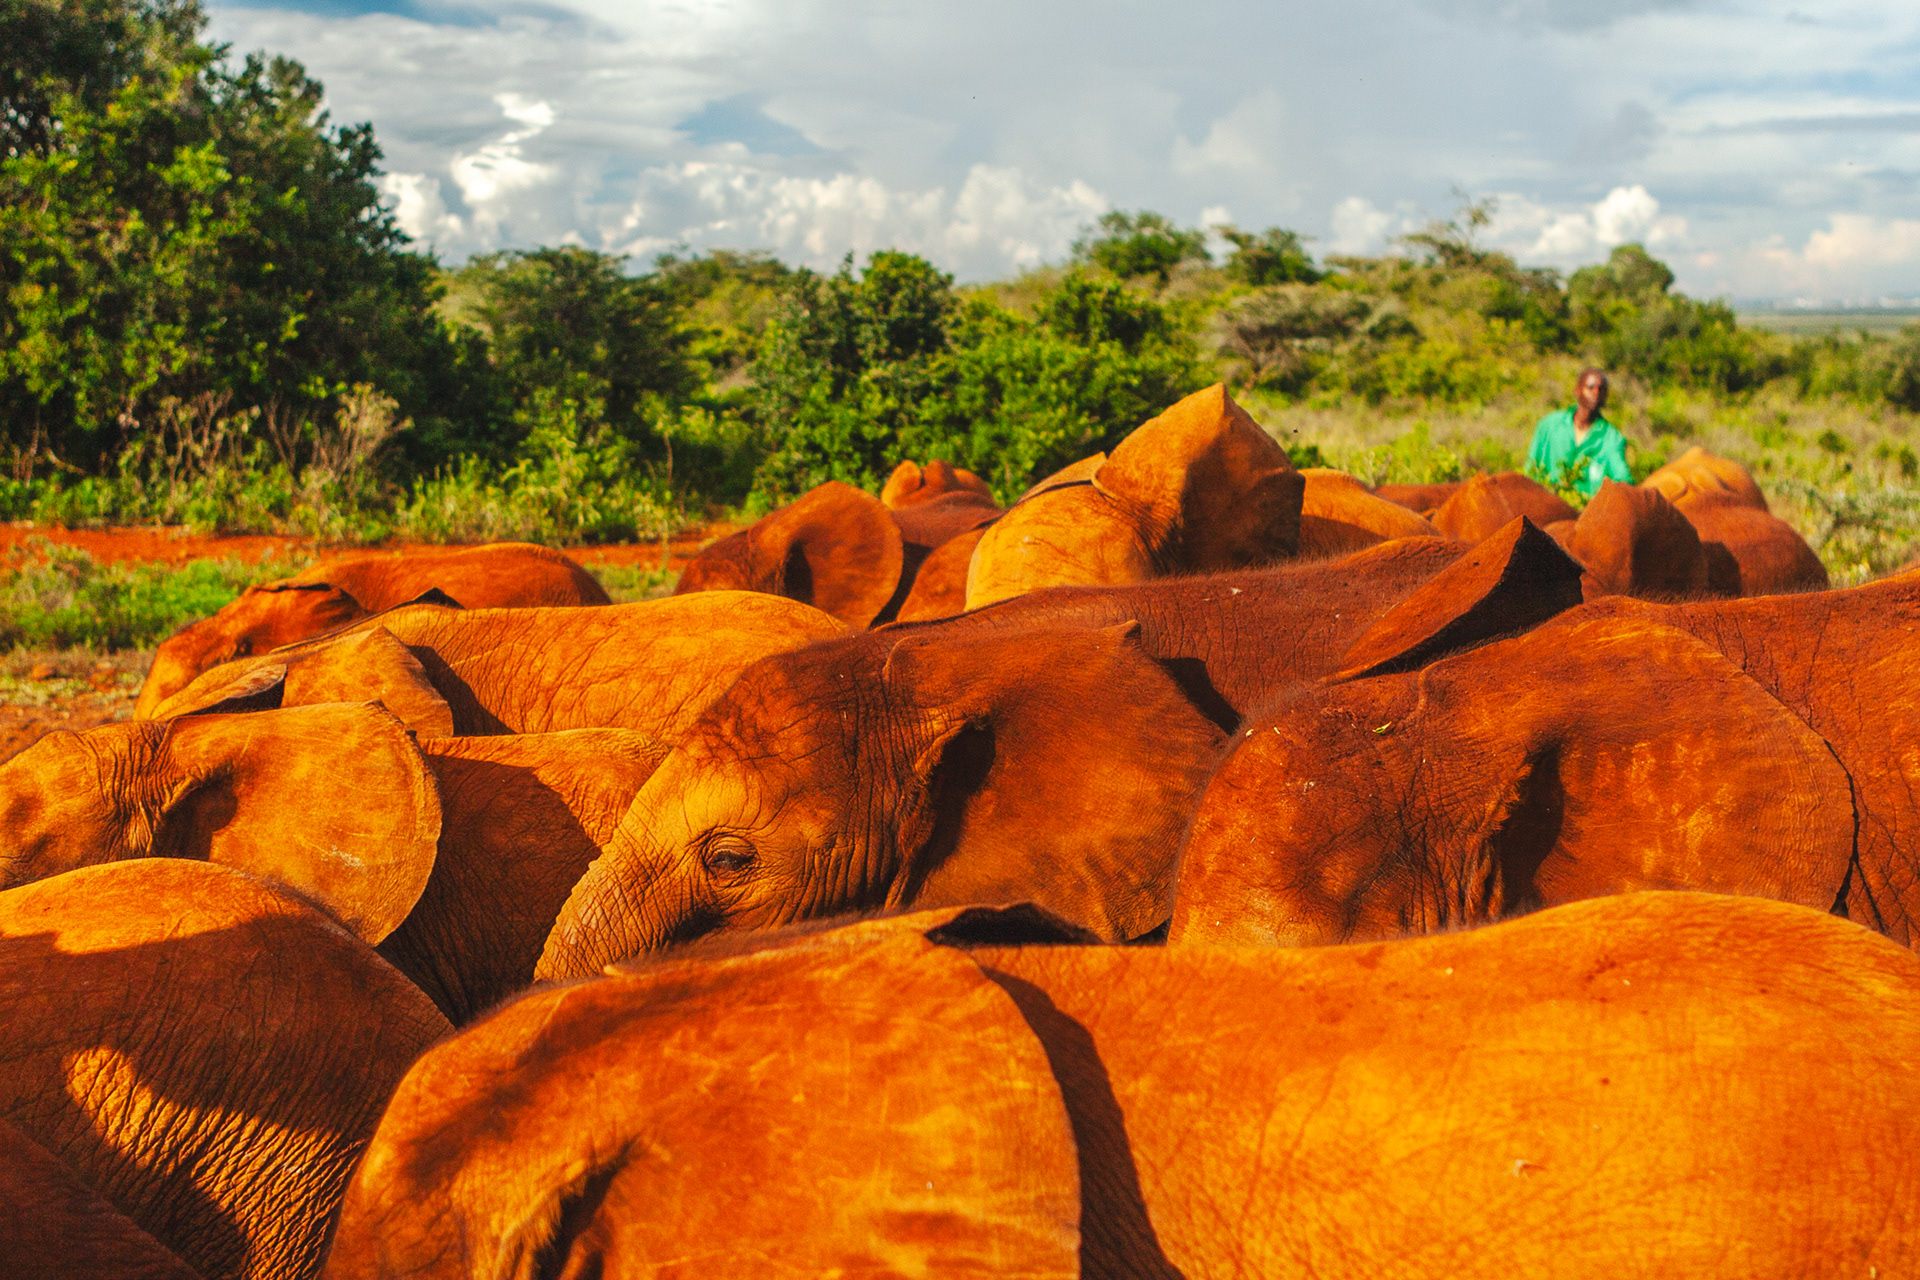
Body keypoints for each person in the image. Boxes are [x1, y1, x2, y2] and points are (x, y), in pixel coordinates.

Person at [1526, 368, 1632, 498]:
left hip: (1585, 514)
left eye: (1601, 389)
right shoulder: (1549, 425)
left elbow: (1623, 480)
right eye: (1591, 387)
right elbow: (1530, 470)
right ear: (1578, 391)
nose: (1596, 393)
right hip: (1545, 507)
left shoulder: (1612, 438)